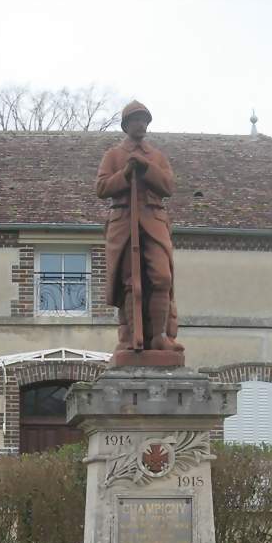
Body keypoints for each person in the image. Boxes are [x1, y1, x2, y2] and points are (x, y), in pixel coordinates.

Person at [96, 100, 183, 354]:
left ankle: (159, 336)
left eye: (145, 120)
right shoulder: (113, 155)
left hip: (154, 221)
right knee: (129, 282)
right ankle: (129, 337)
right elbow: (101, 188)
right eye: (136, 120)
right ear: (126, 125)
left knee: (162, 277)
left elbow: (167, 186)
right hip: (124, 221)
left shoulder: (156, 156)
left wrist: (145, 167)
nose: (141, 124)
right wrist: (125, 172)